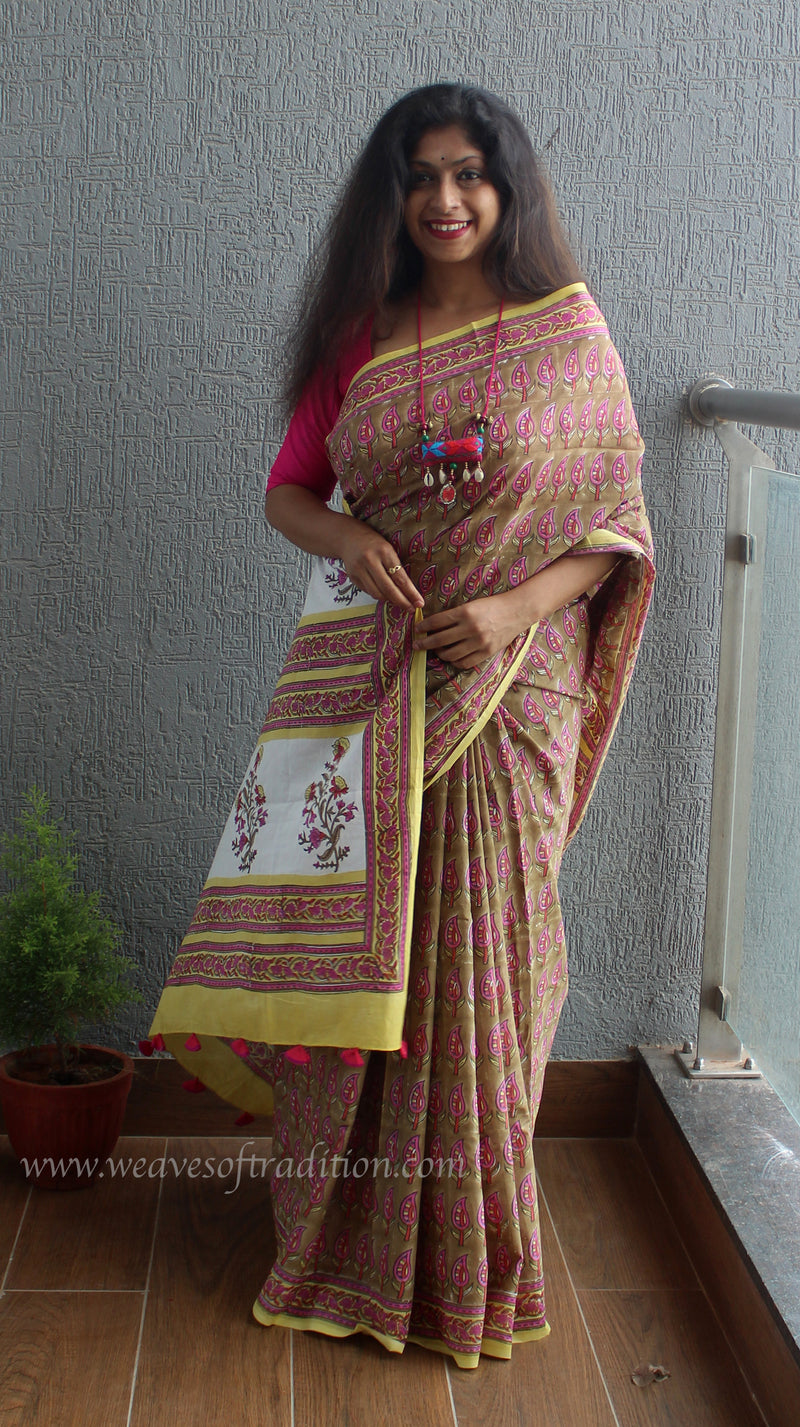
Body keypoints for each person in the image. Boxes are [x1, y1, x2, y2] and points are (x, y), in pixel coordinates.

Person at [147, 83, 654, 1369]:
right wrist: (351, 536)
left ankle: (470, 1257)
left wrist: (510, 610)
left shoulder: (567, 334)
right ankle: (341, 1244)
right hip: (380, 689)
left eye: (468, 172)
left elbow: (614, 529)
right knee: (360, 963)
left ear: (506, 187)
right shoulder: (358, 337)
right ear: (391, 195)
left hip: (509, 689)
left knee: (487, 964)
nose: (444, 198)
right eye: (419, 176)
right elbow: (287, 493)